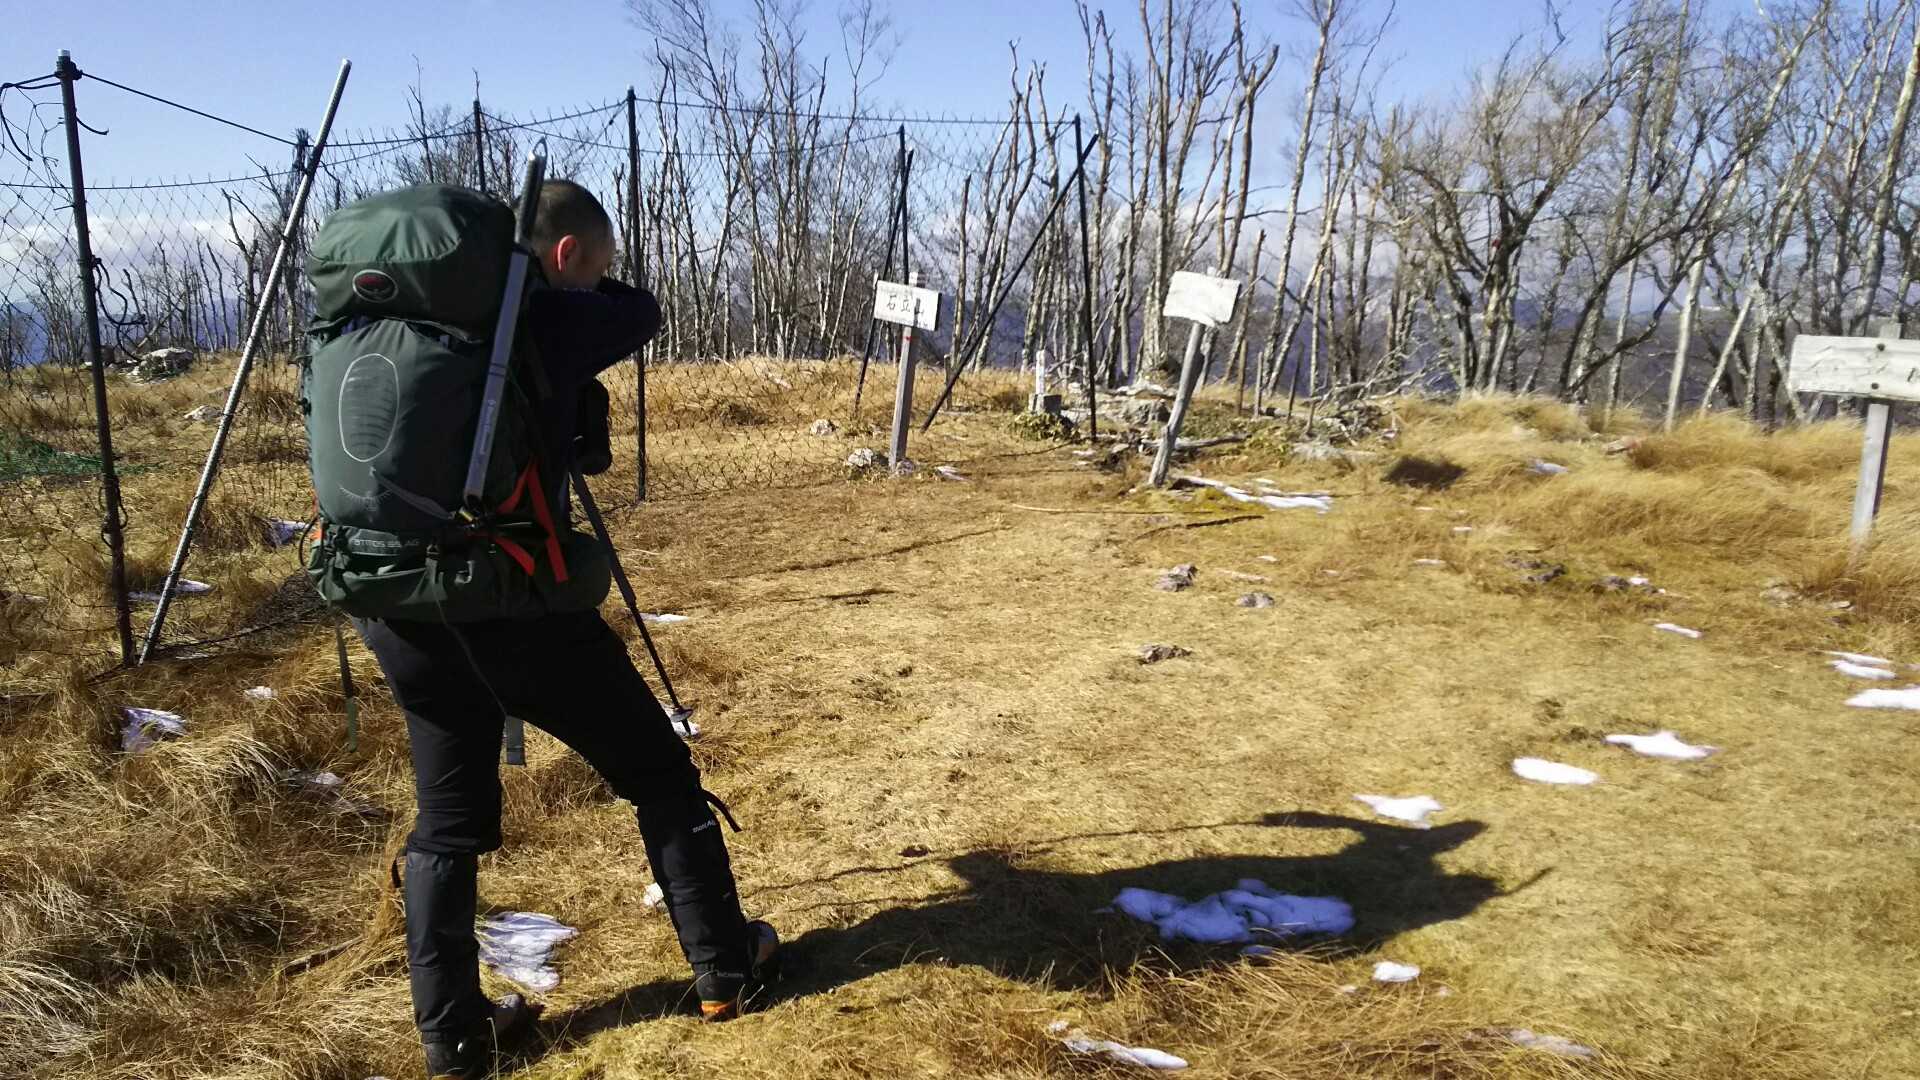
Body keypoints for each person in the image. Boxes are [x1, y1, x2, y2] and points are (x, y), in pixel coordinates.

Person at [347, 180, 777, 1078]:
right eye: (593, 266)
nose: (597, 284)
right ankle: (726, 969)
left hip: (397, 605)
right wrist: (555, 282)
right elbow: (642, 311)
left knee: (446, 824)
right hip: (515, 607)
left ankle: (455, 1042)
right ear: (569, 255)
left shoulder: (375, 329)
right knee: (658, 772)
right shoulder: (540, 318)